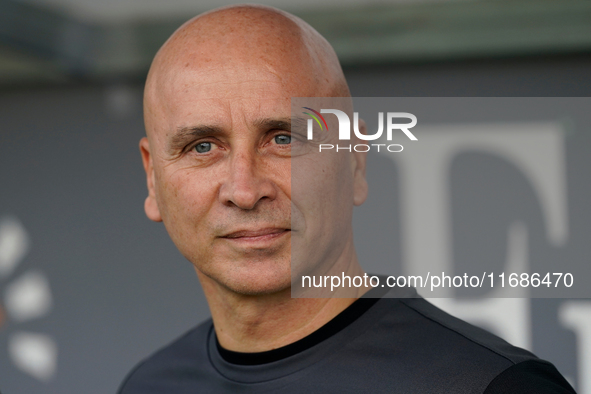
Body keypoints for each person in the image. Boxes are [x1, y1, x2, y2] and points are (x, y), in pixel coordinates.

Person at [118, 5, 575, 393]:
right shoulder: (149, 385)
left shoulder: (491, 385)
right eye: (202, 147)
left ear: (355, 162)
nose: (244, 189)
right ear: (153, 178)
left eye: (284, 138)